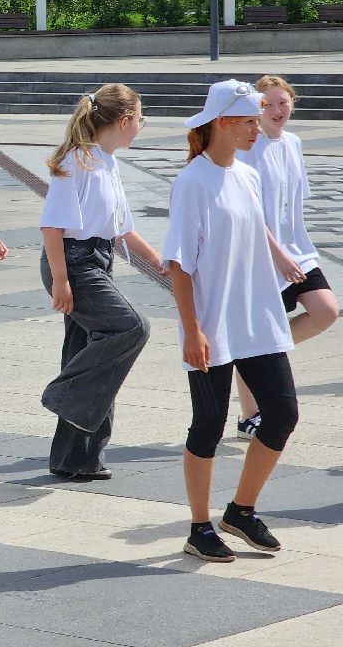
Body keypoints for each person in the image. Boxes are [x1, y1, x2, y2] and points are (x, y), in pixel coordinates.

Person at [163, 80, 297, 564]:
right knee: (210, 423)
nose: (257, 128)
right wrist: (192, 329)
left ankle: (241, 511)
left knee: (282, 414)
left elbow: (255, 232)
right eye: (247, 121)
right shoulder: (192, 182)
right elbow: (178, 263)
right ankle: (199, 527)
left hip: (255, 318)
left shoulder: (246, 175)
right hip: (211, 324)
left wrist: (282, 260)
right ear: (221, 122)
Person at [39, 85, 162, 480]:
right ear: (124, 122)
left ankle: (75, 459)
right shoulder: (78, 162)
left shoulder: (106, 162)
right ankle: (62, 395)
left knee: (85, 352)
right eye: (140, 120)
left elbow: (124, 229)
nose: (141, 127)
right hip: (73, 263)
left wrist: (163, 263)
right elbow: (52, 227)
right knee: (130, 327)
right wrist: (61, 280)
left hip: (97, 260)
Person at [233, 74, 338, 438]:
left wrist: (294, 249)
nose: (278, 111)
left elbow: (292, 204)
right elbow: (251, 213)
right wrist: (277, 255)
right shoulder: (248, 147)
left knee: (325, 311)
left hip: (297, 250)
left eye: (283, 102)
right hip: (262, 256)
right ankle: (250, 414)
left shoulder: (292, 143)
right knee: (259, 332)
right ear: (256, 110)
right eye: (268, 105)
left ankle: (260, 354)